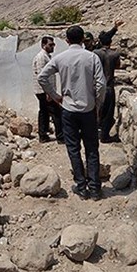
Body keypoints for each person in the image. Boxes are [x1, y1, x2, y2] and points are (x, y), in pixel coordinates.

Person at [38, 25, 106, 200]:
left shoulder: (60, 58)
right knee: (92, 149)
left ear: (67, 41)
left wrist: (55, 96)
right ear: (83, 39)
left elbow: (42, 77)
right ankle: (95, 188)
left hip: (68, 110)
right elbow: (101, 84)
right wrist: (97, 104)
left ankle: (81, 186)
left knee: (73, 148)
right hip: (88, 110)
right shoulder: (92, 57)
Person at [94, 24, 123, 143]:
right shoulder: (114, 54)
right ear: (110, 42)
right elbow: (118, 66)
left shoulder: (95, 53)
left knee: (97, 110)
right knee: (108, 112)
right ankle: (105, 136)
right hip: (109, 86)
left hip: (96, 85)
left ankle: (97, 131)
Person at [32, 36, 63, 143]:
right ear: (43, 45)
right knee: (57, 113)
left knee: (44, 112)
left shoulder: (46, 56)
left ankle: (43, 135)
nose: (52, 47)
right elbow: (42, 76)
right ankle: (60, 136)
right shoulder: (41, 57)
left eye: (53, 44)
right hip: (44, 91)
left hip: (44, 91)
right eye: (50, 45)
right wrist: (49, 93)